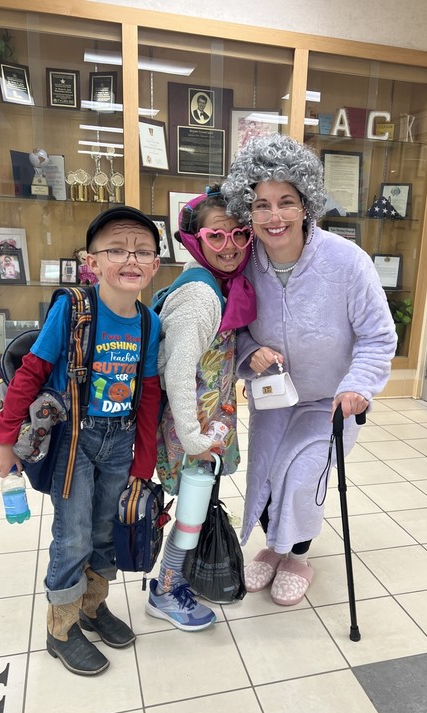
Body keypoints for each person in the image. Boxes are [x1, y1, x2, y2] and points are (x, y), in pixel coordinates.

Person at [0, 206, 161, 676]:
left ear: (155, 264)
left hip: (120, 442)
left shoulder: (149, 323)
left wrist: (143, 463)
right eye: (116, 250)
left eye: (143, 251)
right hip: (74, 439)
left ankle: (92, 606)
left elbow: (148, 395)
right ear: (92, 262)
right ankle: (61, 629)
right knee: (74, 532)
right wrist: (4, 437)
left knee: (106, 528)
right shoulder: (74, 307)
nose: (131, 259)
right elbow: (32, 371)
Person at [222, 134, 397, 606]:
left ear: (305, 204)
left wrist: (358, 385)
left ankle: (297, 555)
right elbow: (232, 332)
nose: (273, 217)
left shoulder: (347, 262)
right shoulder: (243, 264)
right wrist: (251, 352)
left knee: (302, 475)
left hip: (329, 400)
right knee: (265, 473)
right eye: (261, 205)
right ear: (248, 210)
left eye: (285, 202)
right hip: (274, 396)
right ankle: (273, 546)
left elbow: (378, 336)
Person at [146, 185, 256, 630]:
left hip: (207, 423)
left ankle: (178, 577)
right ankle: (166, 589)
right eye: (216, 236)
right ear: (195, 239)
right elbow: (177, 371)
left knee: (199, 503)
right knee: (191, 511)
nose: (230, 246)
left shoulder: (215, 282)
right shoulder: (199, 296)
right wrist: (193, 438)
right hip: (191, 429)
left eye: (239, 234)